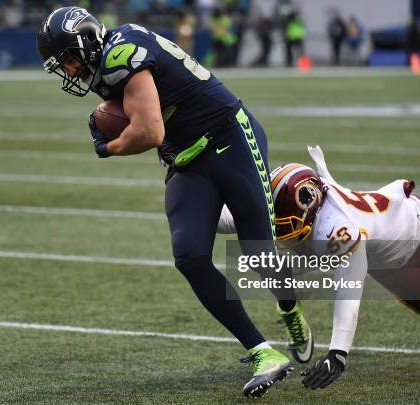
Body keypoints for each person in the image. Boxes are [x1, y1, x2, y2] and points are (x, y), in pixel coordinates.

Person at [36, 7, 313, 398]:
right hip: (186, 157)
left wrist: (109, 146)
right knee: (189, 255)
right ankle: (262, 351)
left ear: (85, 43)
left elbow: (149, 130)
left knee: (257, 256)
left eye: (68, 59)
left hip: (228, 138)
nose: (69, 70)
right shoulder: (104, 60)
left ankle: (289, 310)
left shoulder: (120, 54)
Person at [218, 145, 420, 389]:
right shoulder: (308, 208)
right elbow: (236, 218)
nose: (283, 234)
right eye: (279, 225)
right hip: (387, 266)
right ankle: (289, 308)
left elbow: (348, 291)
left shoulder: (339, 228)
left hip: (419, 233)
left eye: (288, 225)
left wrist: (337, 354)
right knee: (266, 262)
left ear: (311, 206)